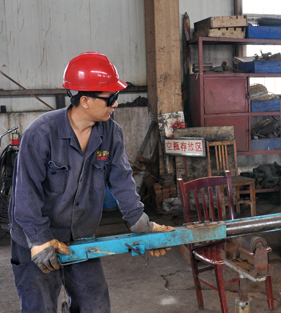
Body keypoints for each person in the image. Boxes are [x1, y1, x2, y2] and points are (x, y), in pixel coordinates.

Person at [9, 51, 174, 312]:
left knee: (95, 305)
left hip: (81, 236)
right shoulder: (41, 134)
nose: (115, 104)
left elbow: (122, 180)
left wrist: (141, 224)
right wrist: (38, 240)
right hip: (37, 236)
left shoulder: (111, 132)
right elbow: (25, 192)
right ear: (85, 100)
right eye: (111, 98)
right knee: (39, 307)